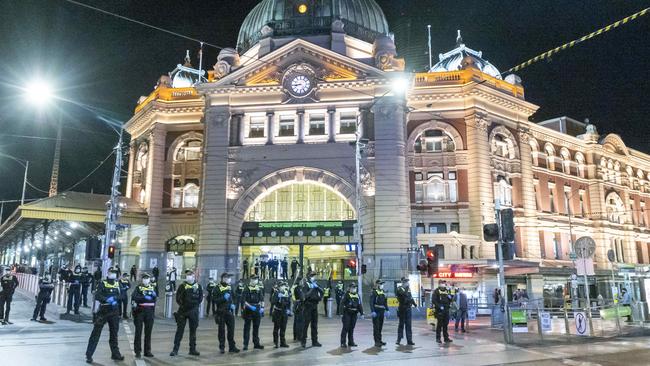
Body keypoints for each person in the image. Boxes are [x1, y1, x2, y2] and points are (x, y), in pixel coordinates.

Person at [85, 267, 124, 363]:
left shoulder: (118, 284)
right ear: (108, 273)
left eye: (115, 273)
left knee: (114, 334)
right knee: (96, 333)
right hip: (103, 310)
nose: (113, 274)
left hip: (114, 311)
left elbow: (123, 295)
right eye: (111, 272)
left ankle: (115, 354)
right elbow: (97, 295)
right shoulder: (103, 283)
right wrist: (107, 299)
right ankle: (89, 355)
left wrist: (115, 298)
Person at [170, 270, 202, 357]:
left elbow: (200, 298)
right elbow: (178, 298)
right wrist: (183, 306)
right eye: (187, 275)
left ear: (194, 276)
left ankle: (192, 349)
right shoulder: (182, 286)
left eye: (190, 275)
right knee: (179, 331)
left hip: (193, 311)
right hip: (183, 311)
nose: (189, 276)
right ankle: (175, 350)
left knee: (193, 331)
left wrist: (194, 306)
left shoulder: (198, 286)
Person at [212, 273, 240, 354]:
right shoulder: (217, 288)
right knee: (221, 330)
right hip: (221, 312)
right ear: (223, 278)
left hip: (229, 312)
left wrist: (234, 304)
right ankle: (222, 347)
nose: (229, 279)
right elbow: (214, 300)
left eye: (229, 278)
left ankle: (232, 347)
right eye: (228, 278)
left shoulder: (230, 287)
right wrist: (223, 298)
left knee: (231, 330)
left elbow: (235, 297)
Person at [131, 273, 157, 358]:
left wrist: (153, 296)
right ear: (142, 279)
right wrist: (144, 298)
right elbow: (134, 297)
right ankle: (137, 351)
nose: (146, 280)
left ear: (149, 279)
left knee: (148, 332)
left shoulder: (153, 287)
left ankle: (147, 351)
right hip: (140, 311)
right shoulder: (138, 288)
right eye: (144, 278)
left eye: (147, 278)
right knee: (138, 332)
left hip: (150, 312)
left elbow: (155, 297)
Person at [241, 274, 265, 350]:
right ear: (251, 280)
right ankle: (245, 344)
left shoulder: (258, 289)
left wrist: (262, 308)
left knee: (256, 327)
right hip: (249, 310)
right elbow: (243, 301)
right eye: (254, 279)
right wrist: (250, 307)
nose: (256, 280)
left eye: (256, 279)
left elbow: (262, 299)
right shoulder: (246, 288)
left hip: (257, 309)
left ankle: (256, 343)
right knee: (247, 328)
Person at [301, 272, 323, 348]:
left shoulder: (316, 284)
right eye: (312, 276)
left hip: (314, 306)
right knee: (305, 325)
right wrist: (312, 289)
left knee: (314, 325)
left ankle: (315, 341)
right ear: (309, 277)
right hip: (307, 306)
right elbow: (305, 296)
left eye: (314, 276)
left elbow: (322, 293)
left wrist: (318, 288)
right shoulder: (306, 284)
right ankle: (303, 341)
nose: (314, 277)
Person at [340, 283, 363, 348]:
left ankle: (351, 342)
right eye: (353, 287)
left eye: (355, 287)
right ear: (349, 288)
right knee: (346, 327)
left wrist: (362, 313)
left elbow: (359, 305)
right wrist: (341, 313)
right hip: (347, 313)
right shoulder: (346, 295)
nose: (354, 289)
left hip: (354, 313)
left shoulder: (357, 295)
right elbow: (341, 304)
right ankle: (343, 342)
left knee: (352, 328)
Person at [396, 277, 416, 345]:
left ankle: (409, 340)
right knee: (401, 325)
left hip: (408, 309)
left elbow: (410, 297)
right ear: (403, 283)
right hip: (402, 309)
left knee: (408, 325)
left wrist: (414, 303)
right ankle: (398, 339)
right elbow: (403, 295)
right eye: (406, 282)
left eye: (407, 282)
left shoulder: (408, 289)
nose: (407, 283)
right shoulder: (399, 288)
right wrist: (407, 289)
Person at [369, 279, 388, 347]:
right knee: (376, 327)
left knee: (380, 327)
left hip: (382, 311)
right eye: (380, 284)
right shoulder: (374, 292)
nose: (382, 285)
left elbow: (385, 302)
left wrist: (387, 309)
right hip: (376, 312)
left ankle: (379, 340)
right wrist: (373, 311)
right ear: (377, 284)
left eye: (382, 284)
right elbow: (371, 302)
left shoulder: (383, 292)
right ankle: (376, 341)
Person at [291, 276, 304, 342]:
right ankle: (299, 336)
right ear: (299, 281)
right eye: (302, 281)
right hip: (299, 306)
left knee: (296, 322)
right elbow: (302, 298)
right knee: (299, 322)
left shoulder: (295, 287)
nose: (303, 282)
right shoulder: (298, 288)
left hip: (296, 305)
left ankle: (295, 336)